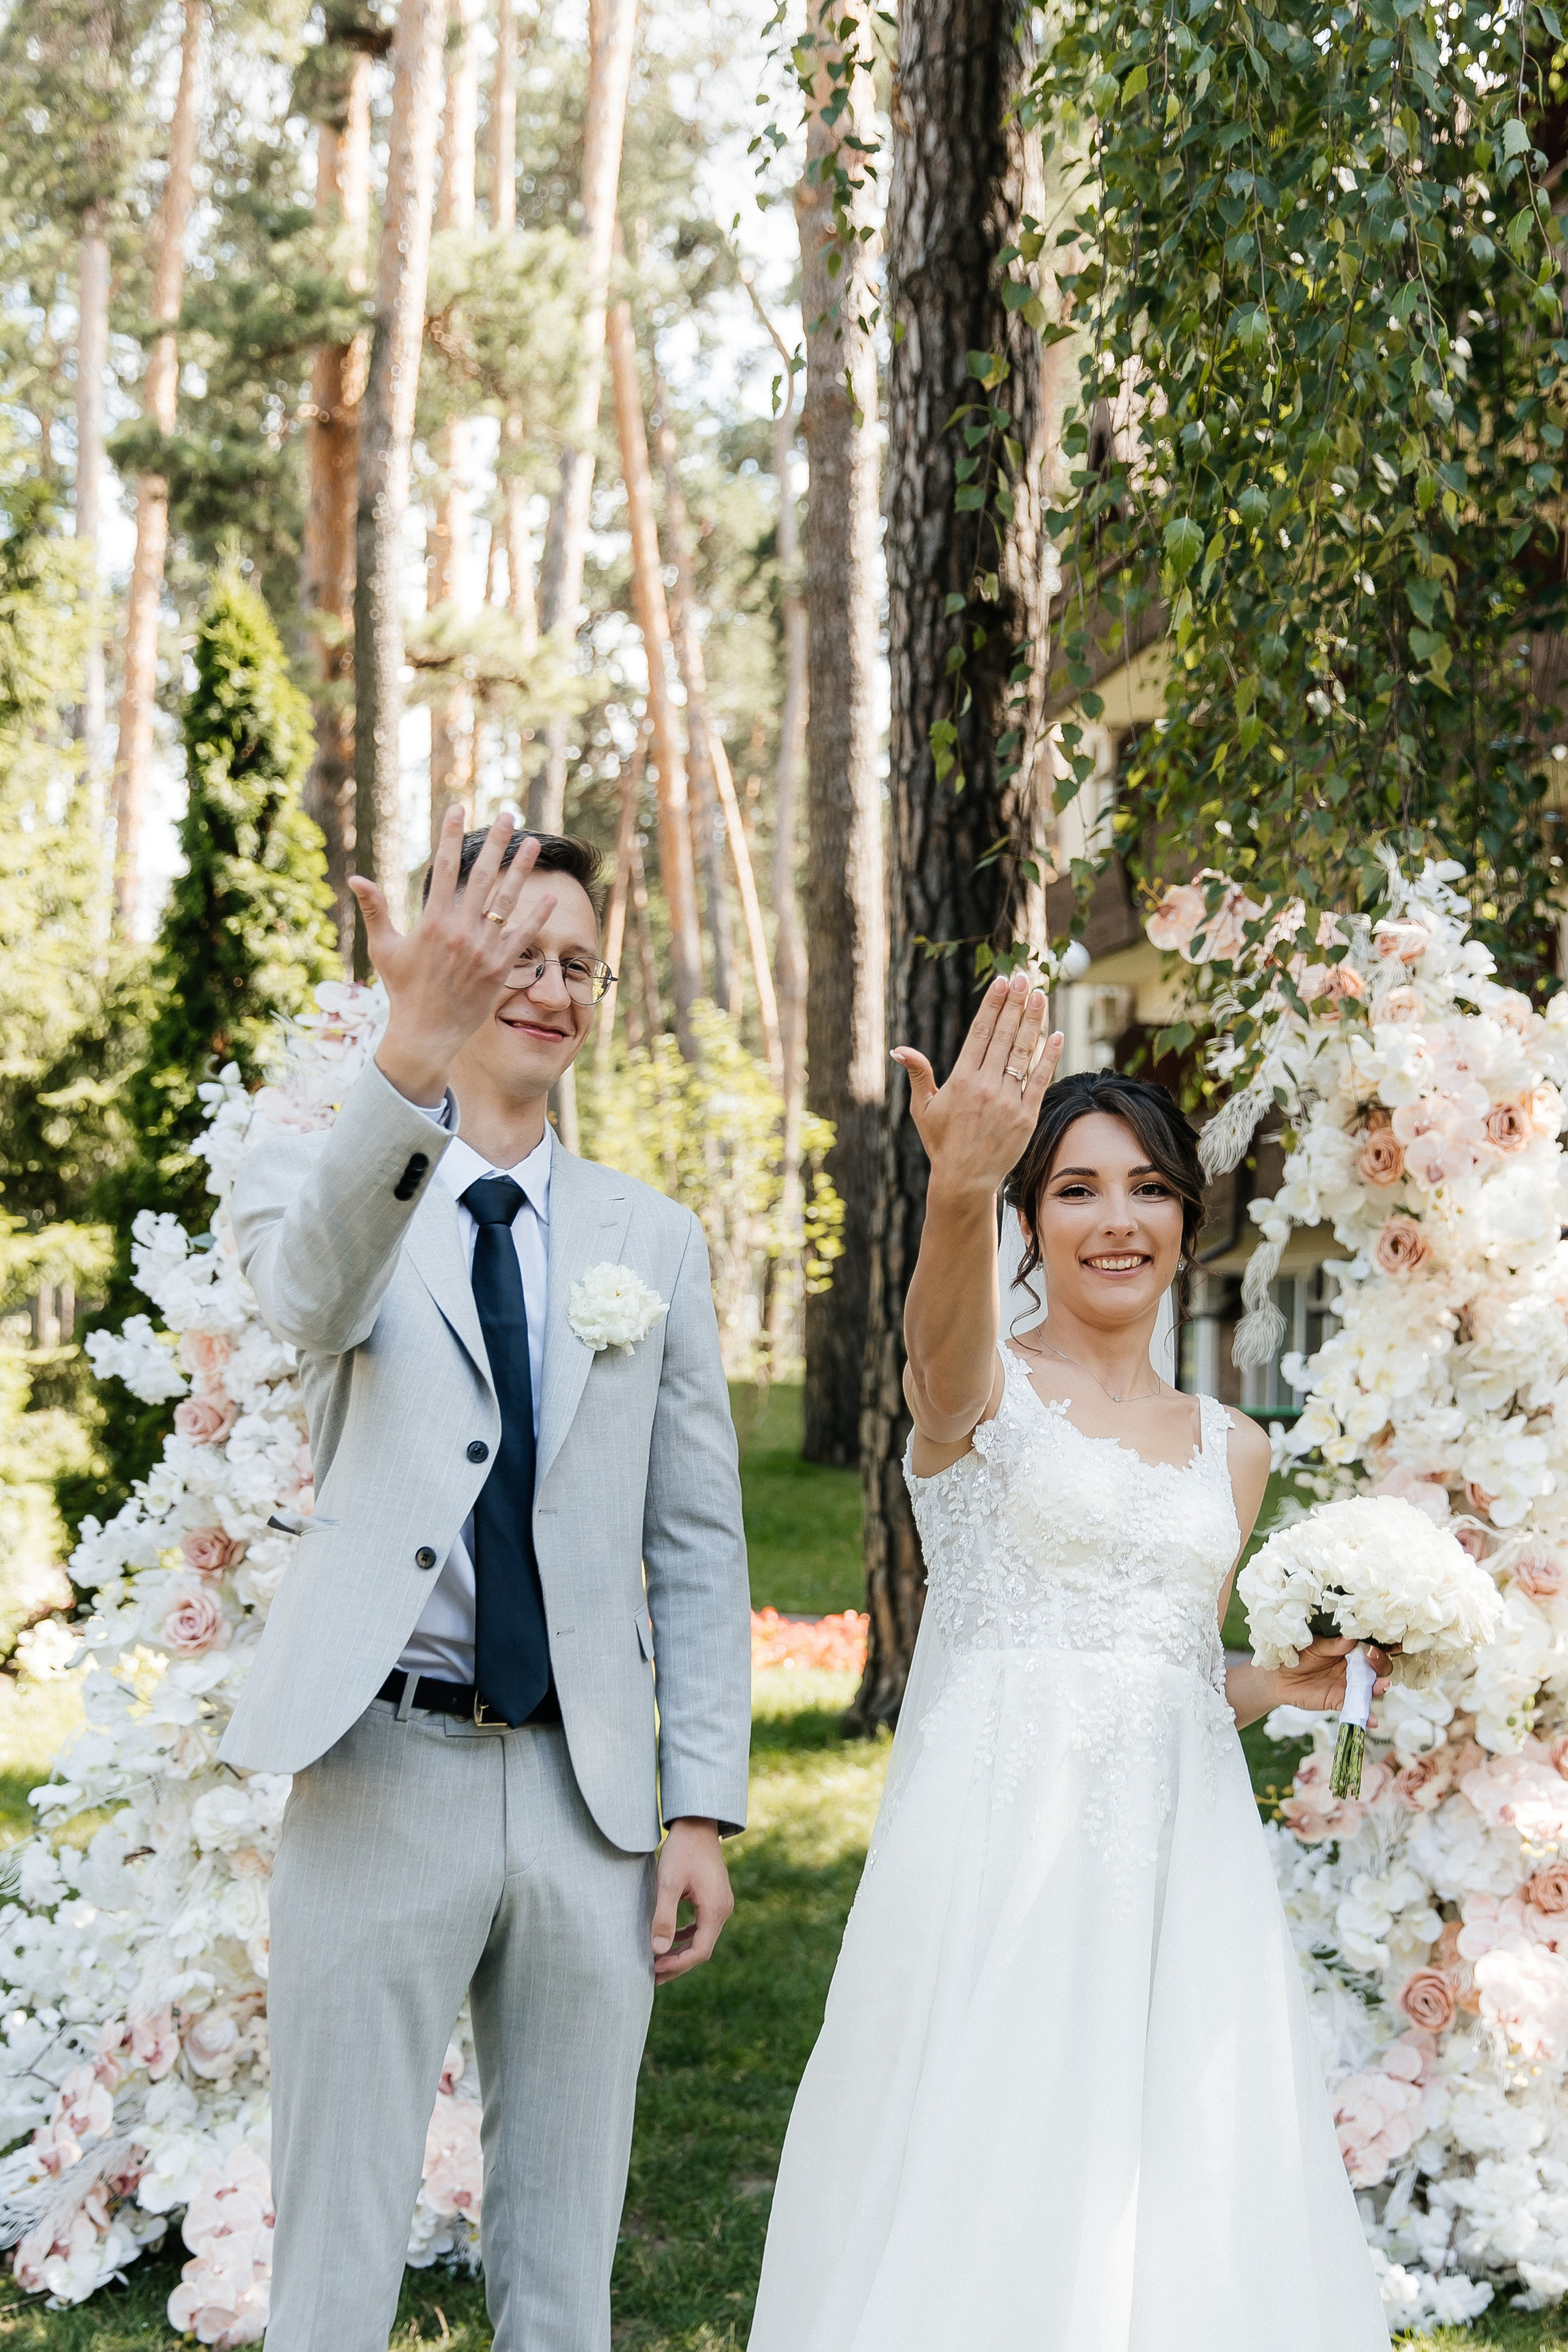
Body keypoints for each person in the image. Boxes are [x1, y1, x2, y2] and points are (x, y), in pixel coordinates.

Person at [748, 972, 1393, 2352]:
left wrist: (1262, 1685)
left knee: (1176, 2180)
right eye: (1077, 1191)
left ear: (1184, 1221)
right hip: (997, 1842)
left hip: (1175, 1863)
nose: (1116, 1220)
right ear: (1032, 1217)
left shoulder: (1232, 1447)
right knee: (985, 2153)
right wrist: (953, 1190)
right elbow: (930, 1356)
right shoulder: (983, 1387)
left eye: (1147, 1190)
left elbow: (1160, 1664)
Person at [223, 810, 752, 2352]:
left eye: (578, 964)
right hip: (380, 1764)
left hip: (589, 1794)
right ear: (447, 963)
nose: (552, 985)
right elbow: (313, 1296)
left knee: (562, 2258)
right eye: (517, 952)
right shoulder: (320, 1175)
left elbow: (699, 1545)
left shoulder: (648, 1241)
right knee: (335, 2245)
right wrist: (406, 1053)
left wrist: (697, 1807)